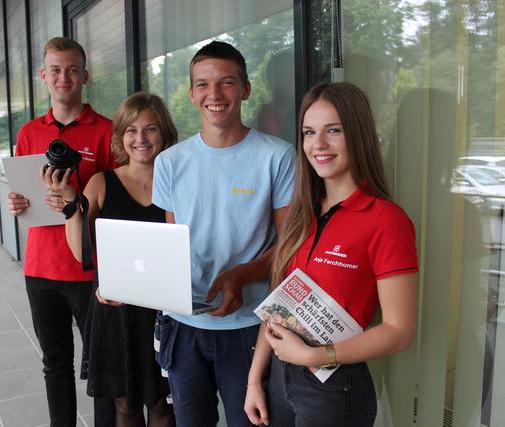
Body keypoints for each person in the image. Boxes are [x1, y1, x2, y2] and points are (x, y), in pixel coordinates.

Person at [244, 82, 419, 426]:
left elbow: (400, 330)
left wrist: (314, 355)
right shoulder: (301, 213)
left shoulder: (386, 219)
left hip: (335, 389)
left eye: (333, 131)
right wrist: (254, 381)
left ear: (358, 135)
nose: (318, 144)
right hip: (280, 379)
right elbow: (277, 309)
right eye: (309, 132)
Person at [151, 41, 297, 427]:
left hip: (250, 326)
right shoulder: (169, 162)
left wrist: (243, 274)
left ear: (246, 89)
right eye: (202, 84)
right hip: (182, 324)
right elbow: (173, 246)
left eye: (226, 83)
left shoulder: (277, 156)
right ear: (191, 93)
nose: (213, 94)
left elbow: (289, 247)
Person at [44, 91, 178, 427]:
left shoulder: (178, 180)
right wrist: (71, 200)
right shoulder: (102, 182)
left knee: (163, 404)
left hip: (164, 310)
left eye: (150, 129)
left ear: (164, 133)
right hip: (115, 309)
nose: (141, 139)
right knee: (125, 405)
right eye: (131, 130)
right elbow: (80, 253)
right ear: (120, 137)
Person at [6, 36, 115, 427]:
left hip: (88, 267)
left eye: (71, 69)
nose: (63, 77)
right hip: (39, 267)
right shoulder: (29, 132)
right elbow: (25, 197)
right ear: (43, 76)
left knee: (101, 363)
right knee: (55, 363)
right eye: (55, 69)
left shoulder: (106, 131)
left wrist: (77, 202)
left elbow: (117, 199)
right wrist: (18, 205)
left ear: (85, 75)